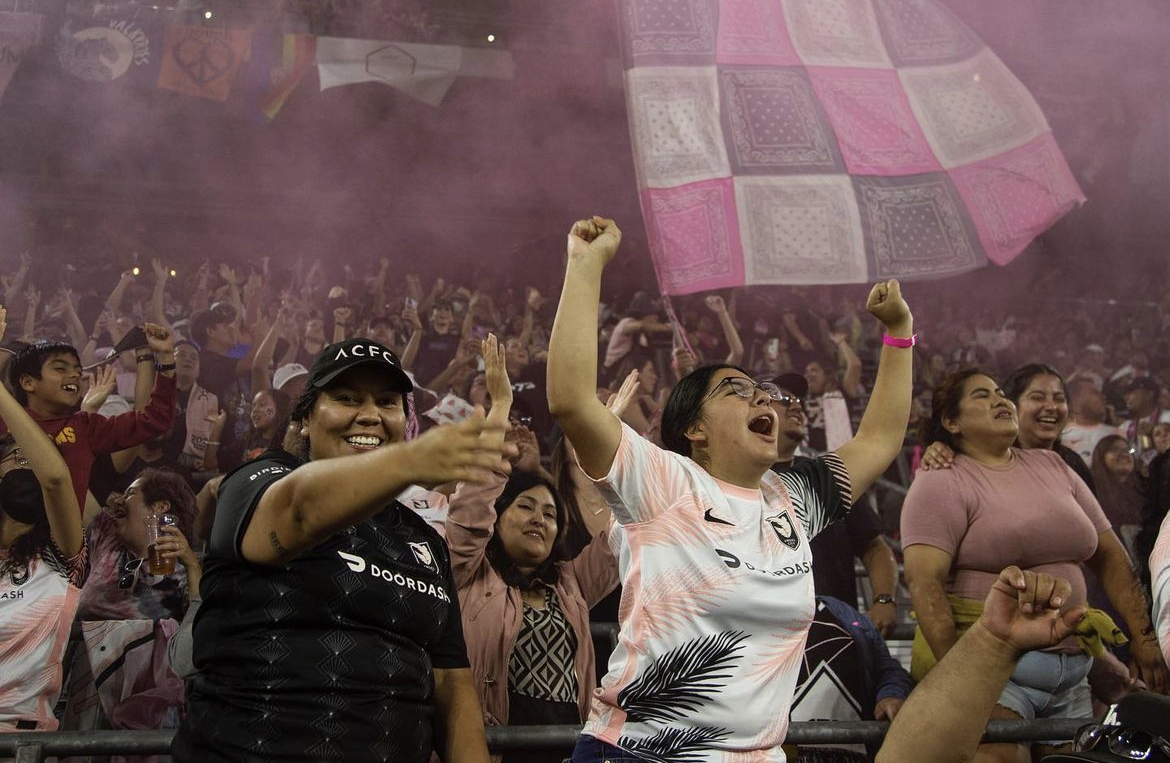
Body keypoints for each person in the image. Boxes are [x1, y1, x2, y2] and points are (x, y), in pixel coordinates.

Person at [547, 216, 914, 762]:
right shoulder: (663, 483)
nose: (761, 401)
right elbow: (573, 402)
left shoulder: (794, 499)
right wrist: (586, 265)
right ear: (694, 430)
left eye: (762, 392)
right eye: (736, 391)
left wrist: (898, 332)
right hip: (642, 754)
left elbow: (881, 438)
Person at [172, 337, 510, 763]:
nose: (369, 415)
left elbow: (451, 685)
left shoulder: (425, 542)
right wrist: (409, 462)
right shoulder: (258, 481)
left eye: (387, 402)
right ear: (306, 418)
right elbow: (297, 512)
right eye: (347, 398)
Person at [902, 368, 1168, 763]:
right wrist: (959, 685)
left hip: (1074, 674)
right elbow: (927, 588)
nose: (999, 400)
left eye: (999, 392)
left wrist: (1144, 640)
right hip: (994, 673)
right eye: (981, 395)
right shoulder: (940, 481)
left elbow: (1111, 555)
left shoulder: (1054, 466)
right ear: (951, 422)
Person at [445, 335, 619, 761]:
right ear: (497, 518)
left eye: (550, 513)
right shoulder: (469, 572)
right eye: (525, 506)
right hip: (495, 748)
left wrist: (608, 444)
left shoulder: (570, 582)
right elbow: (469, 511)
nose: (540, 518)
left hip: (563, 748)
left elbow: (624, 534)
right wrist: (501, 404)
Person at [0, 305, 86, 732]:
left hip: (22, 738)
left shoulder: (61, 553)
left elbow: (54, 477)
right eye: (19, 458)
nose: (31, 466)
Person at [769, 371, 900, 635]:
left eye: (799, 401)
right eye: (783, 399)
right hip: (766, 640)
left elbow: (875, 548)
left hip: (835, 637)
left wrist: (884, 600)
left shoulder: (827, 476)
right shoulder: (735, 479)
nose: (796, 405)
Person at [2, 325, 178, 512]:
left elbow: (155, 418)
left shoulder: (84, 427)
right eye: (60, 368)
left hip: (62, 540)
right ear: (28, 382)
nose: (74, 375)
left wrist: (166, 356)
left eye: (78, 371)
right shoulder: (6, 421)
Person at [79, 469, 200, 621]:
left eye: (130, 493)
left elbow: (195, 625)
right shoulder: (107, 534)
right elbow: (73, 486)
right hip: (81, 642)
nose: (118, 501)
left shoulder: (185, 572)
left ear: (160, 507)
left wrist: (192, 565)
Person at [1090, 435, 1145, 556]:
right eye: (1115, 450)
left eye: (1127, 450)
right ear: (1100, 457)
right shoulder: (1090, 493)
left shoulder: (1144, 492)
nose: (1125, 455)